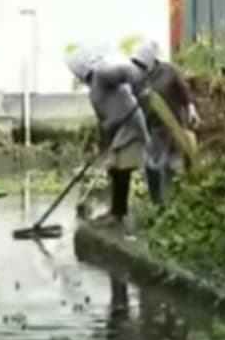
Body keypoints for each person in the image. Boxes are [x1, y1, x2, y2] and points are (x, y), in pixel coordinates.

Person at [65, 45, 158, 233]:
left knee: (122, 169)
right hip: (119, 130)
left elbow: (126, 71)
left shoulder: (101, 74)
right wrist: (104, 137)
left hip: (130, 126)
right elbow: (105, 118)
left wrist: (139, 81)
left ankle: (119, 215)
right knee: (115, 169)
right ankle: (117, 212)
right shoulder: (95, 86)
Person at [128, 41, 200, 204]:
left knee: (171, 165)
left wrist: (191, 109)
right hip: (149, 128)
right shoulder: (137, 77)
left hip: (172, 126)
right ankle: (157, 202)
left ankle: (176, 201)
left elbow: (185, 92)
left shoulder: (169, 71)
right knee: (151, 166)